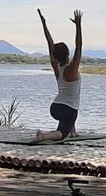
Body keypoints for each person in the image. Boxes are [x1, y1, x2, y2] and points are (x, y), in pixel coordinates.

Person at [34, 9, 82, 142]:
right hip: (67, 109)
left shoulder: (57, 68)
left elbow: (50, 45)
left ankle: (73, 131)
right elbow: (79, 47)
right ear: (67, 54)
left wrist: (44, 25)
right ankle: (44, 136)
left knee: (70, 110)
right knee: (62, 132)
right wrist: (78, 26)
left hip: (55, 107)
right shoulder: (71, 70)